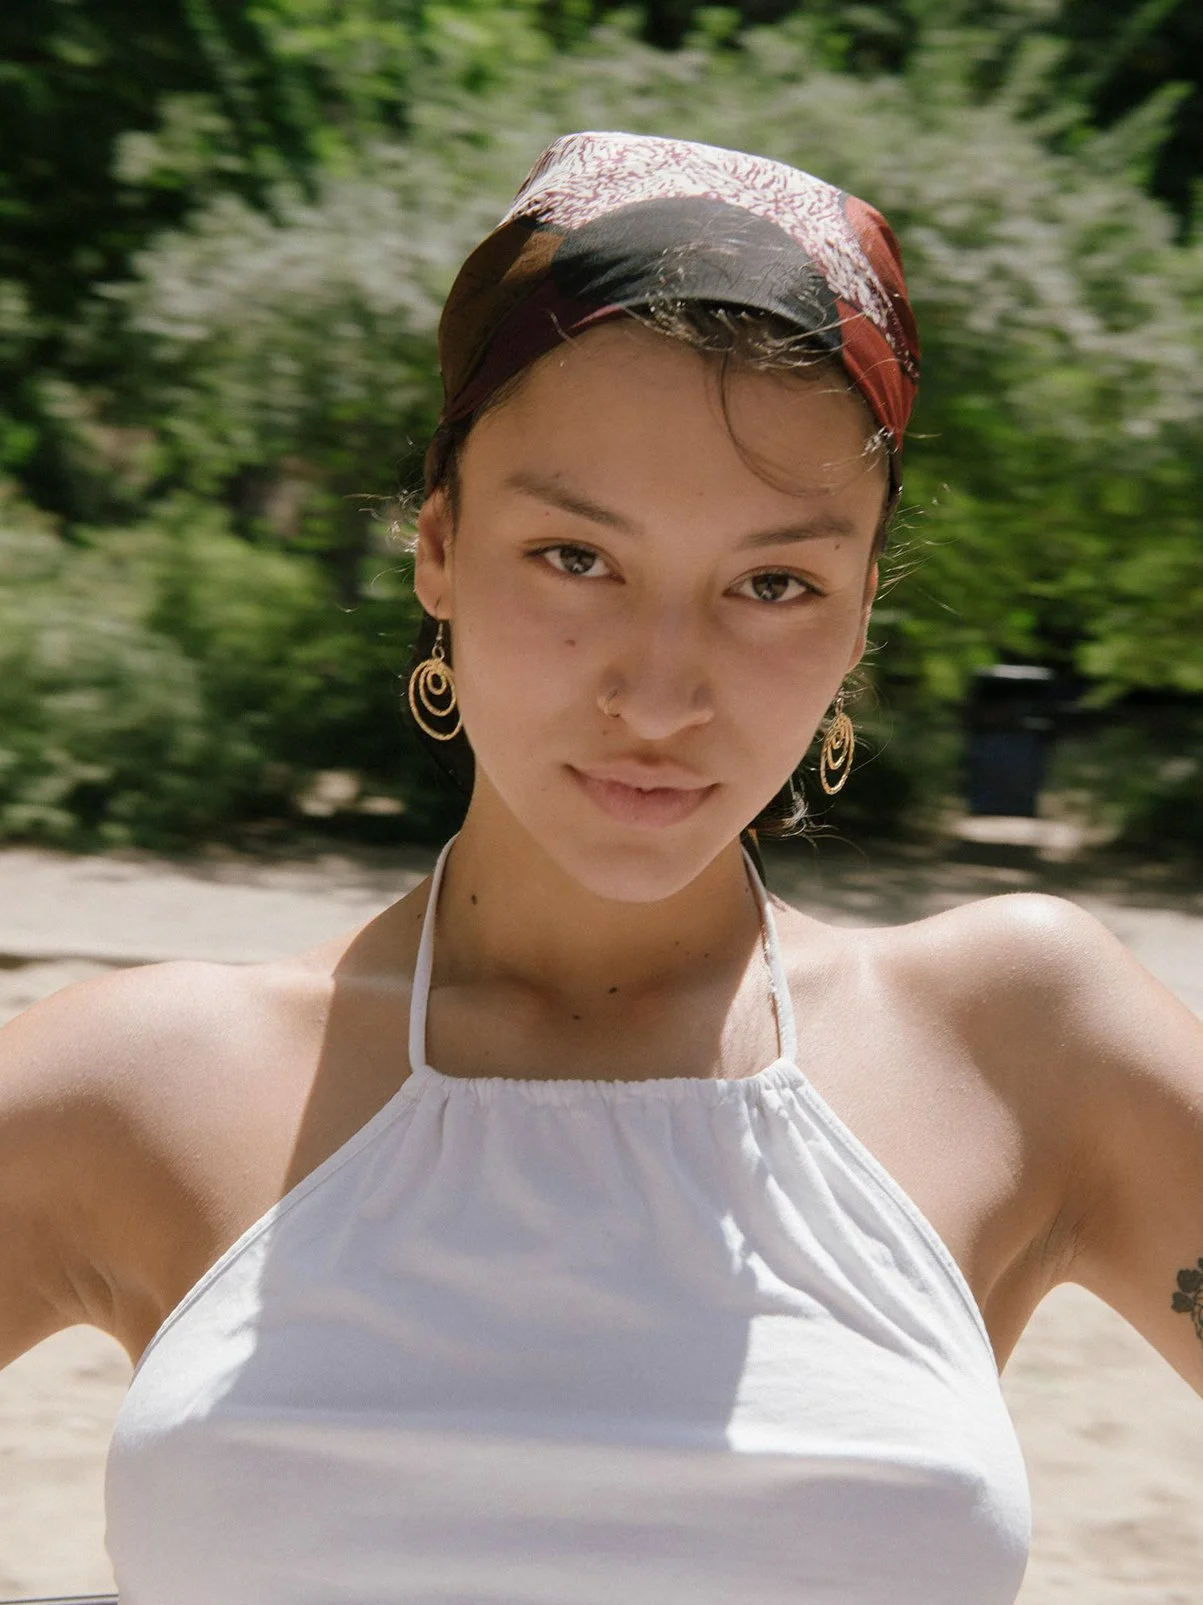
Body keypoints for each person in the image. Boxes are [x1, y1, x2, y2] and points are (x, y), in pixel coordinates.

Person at [2, 130, 1202, 1605]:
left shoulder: (1019, 1045)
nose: (660, 693)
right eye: (576, 557)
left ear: (860, 612)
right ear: (437, 544)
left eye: (774, 584)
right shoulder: (144, 1086)